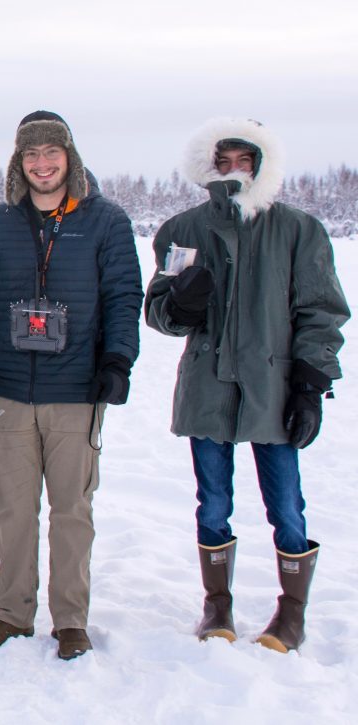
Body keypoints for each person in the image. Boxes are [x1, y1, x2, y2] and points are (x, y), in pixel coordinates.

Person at [144, 118, 348, 653]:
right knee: (212, 503)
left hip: (273, 387)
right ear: (208, 166)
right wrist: (181, 304)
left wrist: (310, 380)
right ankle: (218, 605)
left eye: (244, 161)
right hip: (208, 386)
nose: (234, 170)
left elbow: (321, 311)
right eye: (224, 161)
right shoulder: (181, 231)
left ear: (261, 166)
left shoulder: (298, 229)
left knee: (286, 505)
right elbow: (160, 314)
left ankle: (292, 610)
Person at [0, 111, 142, 660]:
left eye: (51, 153)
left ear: (70, 156)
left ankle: (70, 620)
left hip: (76, 392)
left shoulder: (106, 221)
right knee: (14, 511)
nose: (42, 164)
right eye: (31, 155)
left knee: (72, 511)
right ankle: (13, 612)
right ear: (19, 161)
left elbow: (123, 296)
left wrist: (118, 361)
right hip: (9, 391)